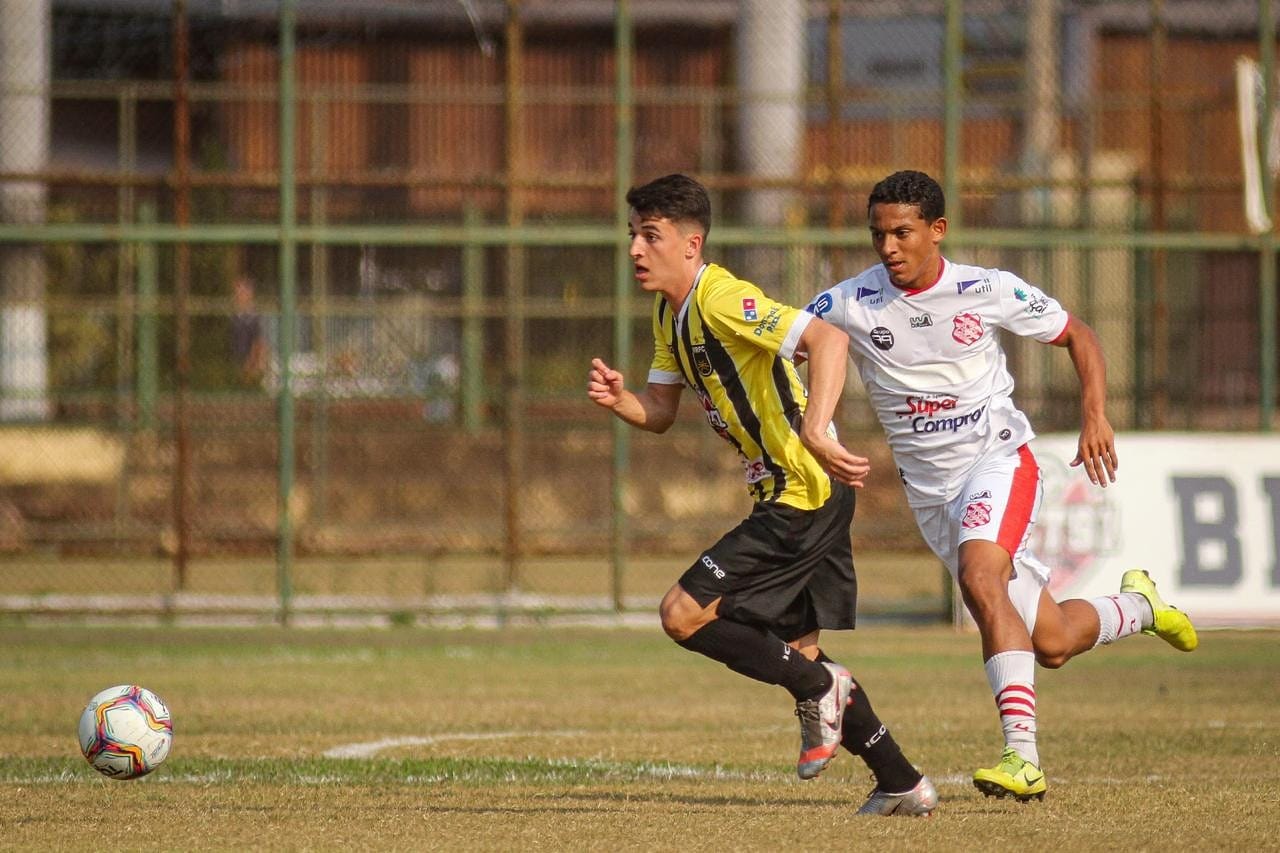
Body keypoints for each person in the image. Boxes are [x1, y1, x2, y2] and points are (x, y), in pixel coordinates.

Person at [805, 169, 1198, 803]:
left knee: (981, 579)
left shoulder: (985, 290)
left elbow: (1079, 334)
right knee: (1052, 642)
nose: (887, 248)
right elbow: (788, 342)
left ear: (938, 231)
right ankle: (1141, 606)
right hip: (930, 495)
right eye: (878, 234)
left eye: (902, 233)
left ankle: (1023, 760)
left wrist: (1095, 412)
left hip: (999, 461)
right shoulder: (850, 302)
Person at [587, 173, 937, 817]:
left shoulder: (720, 298)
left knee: (683, 613)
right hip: (795, 494)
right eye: (632, 234)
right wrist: (621, 402)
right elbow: (661, 410)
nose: (636, 248)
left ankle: (819, 688)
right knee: (798, 649)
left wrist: (815, 427)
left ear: (691, 244)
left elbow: (826, 339)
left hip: (802, 494)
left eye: (651, 236)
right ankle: (900, 780)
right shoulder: (671, 311)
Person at [231, 275, 268, 386]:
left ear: (250, 295)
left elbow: (260, 343)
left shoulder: (256, 318)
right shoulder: (231, 316)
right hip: (233, 361)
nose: (240, 296)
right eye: (238, 293)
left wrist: (251, 363)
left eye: (244, 292)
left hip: (250, 362)